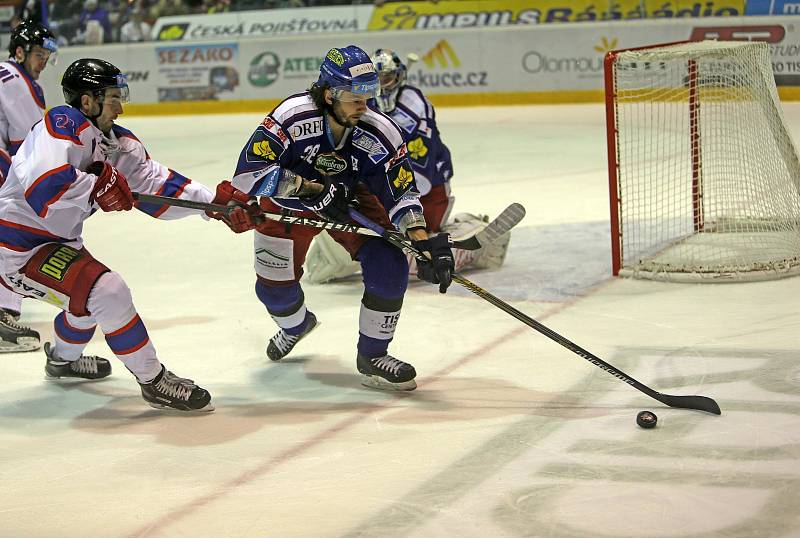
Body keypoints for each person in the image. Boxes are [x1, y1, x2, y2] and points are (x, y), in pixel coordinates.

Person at [0, 58, 244, 411]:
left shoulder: (117, 143)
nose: (120, 105)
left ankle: (62, 360)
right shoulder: (62, 123)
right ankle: (153, 380)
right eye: (113, 96)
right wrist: (95, 186)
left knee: (85, 304)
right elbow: (44, 189)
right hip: (16, 246)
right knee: (107, 291)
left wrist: (214, 206)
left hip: (56, 242)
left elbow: (158, 185)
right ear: (88, 101)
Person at [226, 45, 455, 391]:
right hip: (288, 206)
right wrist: (308, 188)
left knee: (390, 264)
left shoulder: (380, 132)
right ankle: (295, 326)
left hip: (350, 198)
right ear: (329, 93)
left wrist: (421, 238)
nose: (364, 107)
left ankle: (373, 355)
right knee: (274, 292)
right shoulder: (292, 116)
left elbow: (402, 193)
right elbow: (247, 175)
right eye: (354, 98)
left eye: (369, 96)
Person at [305, 48, 510, 284]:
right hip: (386, 188)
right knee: (364, 246)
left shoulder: (414, 105)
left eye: (388, 79)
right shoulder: (360, 104)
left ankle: (476, 239)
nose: (383, 86)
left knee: (416, 255)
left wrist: (398, 213)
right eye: (377, 81)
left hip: (428, 187)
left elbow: (419, 175)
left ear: (399, 77)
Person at [0, 20, 58, 352]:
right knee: (13, 228)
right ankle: (3, 314)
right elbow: (30, 140)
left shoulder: (16, 77)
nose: (44, 61)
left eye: (48, 55)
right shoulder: (13, 80)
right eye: (39, 54)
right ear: (20, 52)